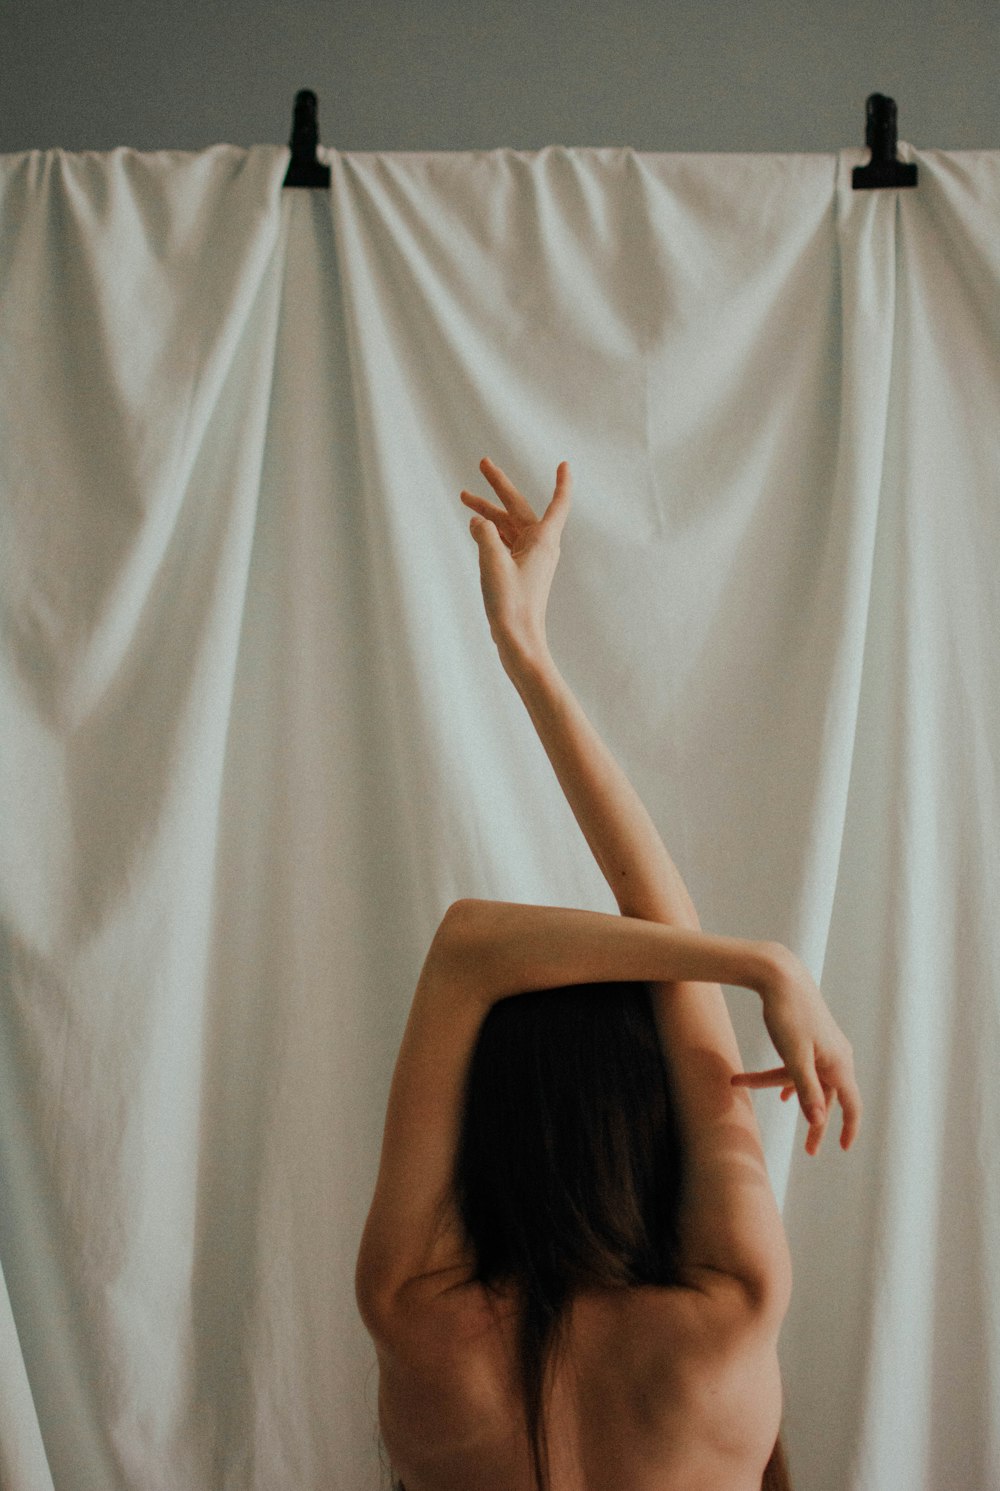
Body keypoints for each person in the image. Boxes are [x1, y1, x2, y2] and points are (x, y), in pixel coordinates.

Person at [354, 459, 862, 1491]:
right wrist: (754, 962)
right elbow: (656, 976)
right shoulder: (732, 1307)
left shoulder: (413, 1311)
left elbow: (466, 951)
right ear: (653, 1111)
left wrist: (750, 965)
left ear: (484, 1119)